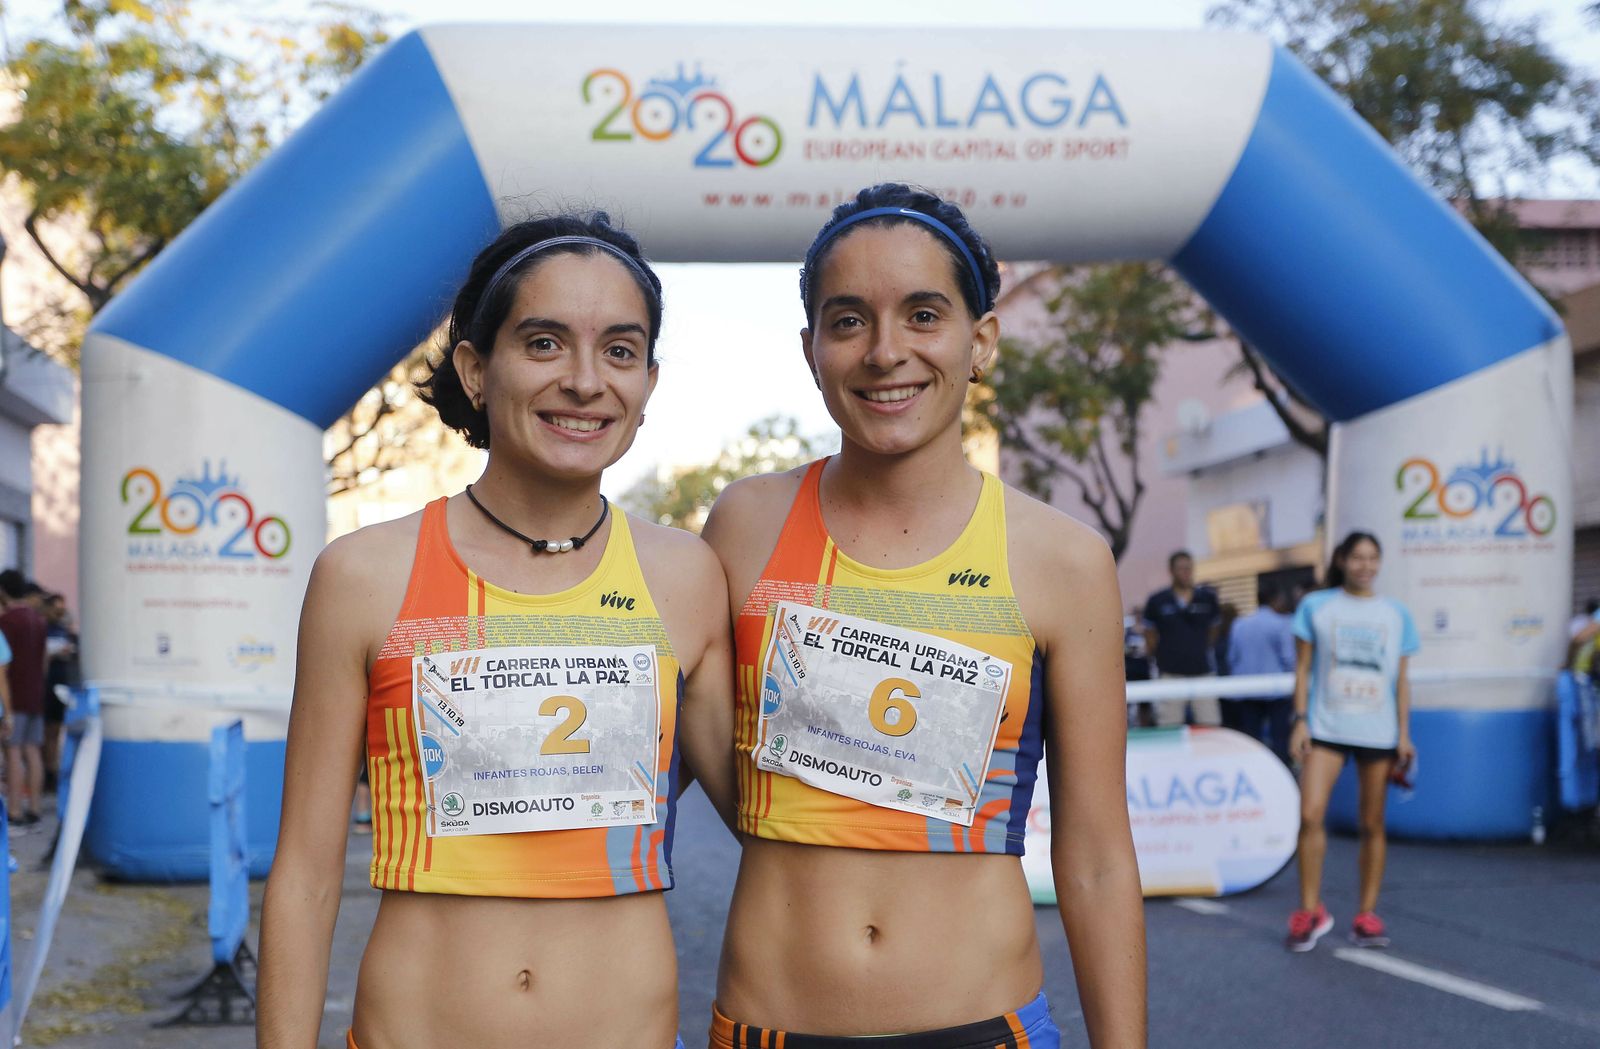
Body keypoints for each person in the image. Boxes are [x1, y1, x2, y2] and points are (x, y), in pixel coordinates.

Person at [257, 214, 735, 1049]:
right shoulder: (364, 575)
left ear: (648, 383)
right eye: (544, 343)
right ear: (477, 369)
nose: (586, 380)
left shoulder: (686, 578)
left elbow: (784, 820)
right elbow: (303, 876)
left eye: (619, 351)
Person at [702, 184, 1145, 1048]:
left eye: (924, 314)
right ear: (811, 349)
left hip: (986, 1022)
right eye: (848, 320)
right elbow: (679, 761)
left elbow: (1094, 857)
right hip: (772, 1024)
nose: (885, 351)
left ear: (980, 341)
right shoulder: (742, 528)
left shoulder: (1063, 560)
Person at [1287, 532, 1418, 952]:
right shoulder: (1317, 607)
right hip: (1325, 728)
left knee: (1372, 824)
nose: (1365, 565)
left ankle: (1366, 915)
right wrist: (1301, 720)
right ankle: (1311, 911)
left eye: (1372, 558)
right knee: (1309, 815)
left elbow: (1401, 680)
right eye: (1357, 557)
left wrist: (1403, 734)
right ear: (1342, 560)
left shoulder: (1396, 614)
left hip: (1378, 732)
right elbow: (1303, 669)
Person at [1142, 551, 1222, 727]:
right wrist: (1162, 653)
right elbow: (1149, 634)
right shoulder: (1157, 601)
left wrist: (1199, 648)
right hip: (1170, 673)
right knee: (1169, 726)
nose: (1186, 572)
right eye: (1181, 568)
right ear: (1171, 571)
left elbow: (1214, 630)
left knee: (1209, 724)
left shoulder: (1207, 599)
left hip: (1202, 671)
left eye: (1188, 568)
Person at [1222, 583, 1297, 763]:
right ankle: (1282, 773)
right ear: (1276, 599)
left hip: (1247, 690)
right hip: (1277, 691)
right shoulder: (1282, 623)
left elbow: (1232, 657)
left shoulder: (1239, 624)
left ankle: (1255, 771)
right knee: (1280, 739)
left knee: (1251, 740)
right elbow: (1289, 658)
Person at [0, 570, 47, 825]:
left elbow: (2, 668)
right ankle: (36, 806)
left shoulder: (7, 622)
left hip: (14, 694)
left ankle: (15, 809)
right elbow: (44, 661)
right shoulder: (38, 620)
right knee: (33, 750)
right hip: (35, 693)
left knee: (14, 751)